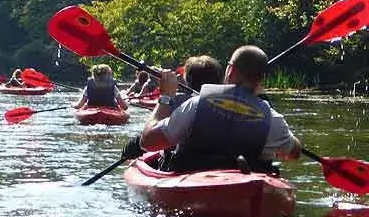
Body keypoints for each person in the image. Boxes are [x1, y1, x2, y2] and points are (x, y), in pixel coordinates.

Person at [129, 46, 302, 173]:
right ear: (261, 80)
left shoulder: (196, 106)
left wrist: (166, 96)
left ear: (230, 70)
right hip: (244, 190)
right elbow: (294, 152)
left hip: (191, 188)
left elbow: (148, 142)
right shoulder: (273, 120)